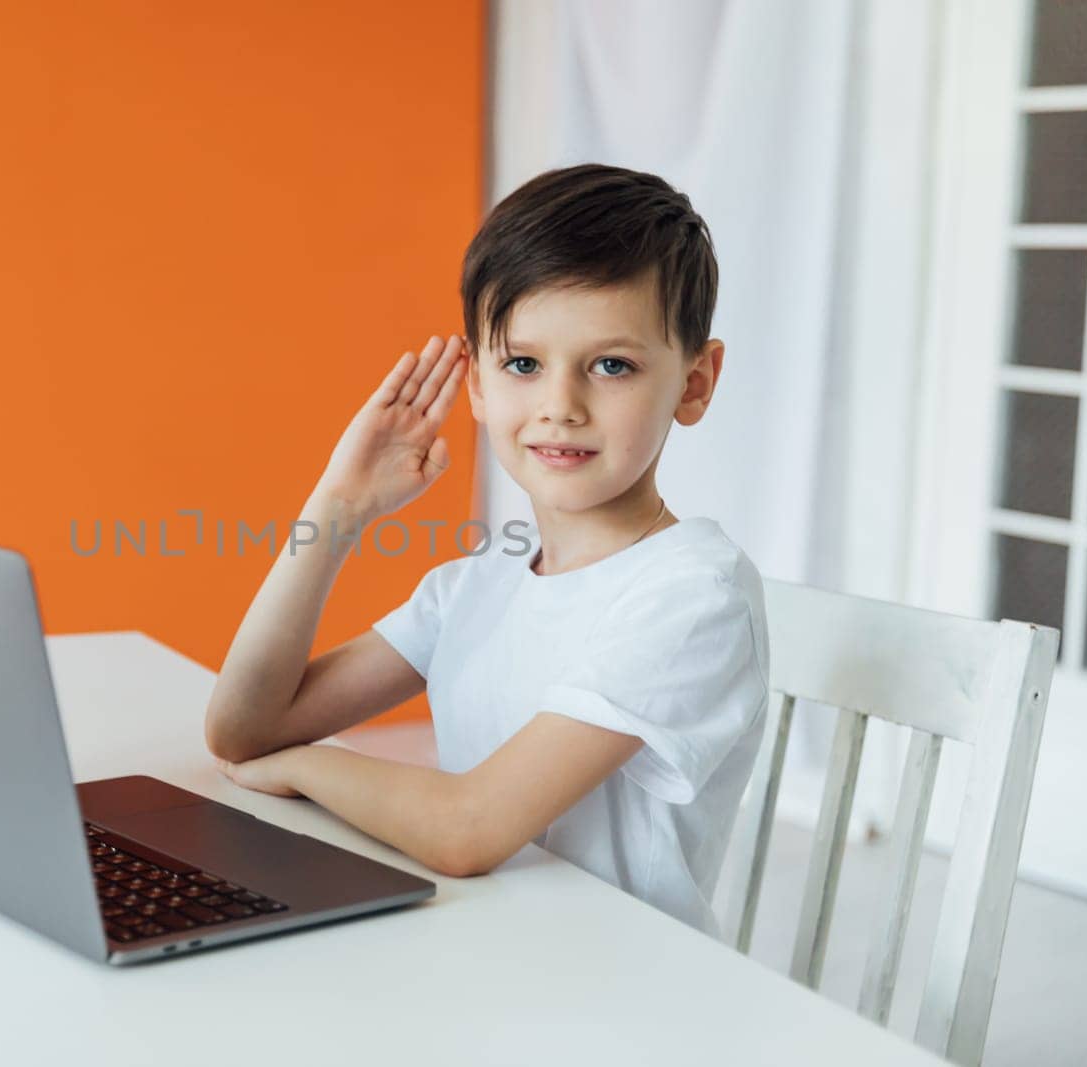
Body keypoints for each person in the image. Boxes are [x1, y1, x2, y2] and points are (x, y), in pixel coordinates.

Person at [202, 163, 769, 939]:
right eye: (524, 364)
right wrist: (337, 508)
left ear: (694, 383)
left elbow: (467, 828)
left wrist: (301, 765)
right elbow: (244, 728)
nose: (559, 407)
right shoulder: (478, 584)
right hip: (481, 953)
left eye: (613, 365)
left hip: (620, 996)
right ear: (476, 383)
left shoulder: (691, 594)